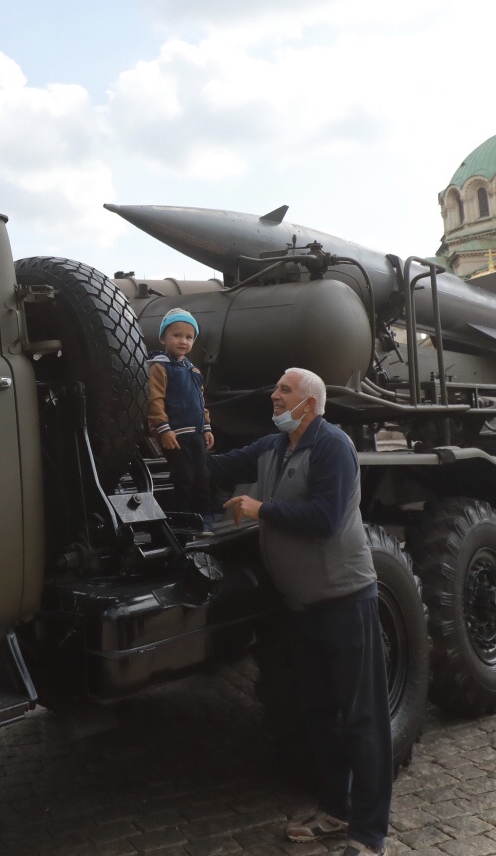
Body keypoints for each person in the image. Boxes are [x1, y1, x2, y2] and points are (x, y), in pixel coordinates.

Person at [207, 368, 389, 855]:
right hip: (304, 607)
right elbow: (219, 466)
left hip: (346, 601)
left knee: (361, 718)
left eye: (284, 389)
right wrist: (179, 436)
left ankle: (369, 836)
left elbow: (326, 518)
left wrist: (259, 509)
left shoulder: (332, 447)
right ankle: (335, 811)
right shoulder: (275, 445)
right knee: (320, 714)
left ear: (308, 403)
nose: (274, 394)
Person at [146, 309, 216, 517]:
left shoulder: (193, 371)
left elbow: (200, 401)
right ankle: (183, 521)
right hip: (175, 435)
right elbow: (154, 399)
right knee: (184, 478)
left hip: (195, 434)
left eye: (189, 337)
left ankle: (203, 520)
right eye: (176, 335)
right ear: (163, 338)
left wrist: (206, 426)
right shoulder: (160, 367)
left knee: (202, 478)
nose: (183, 341)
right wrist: (163, 429)